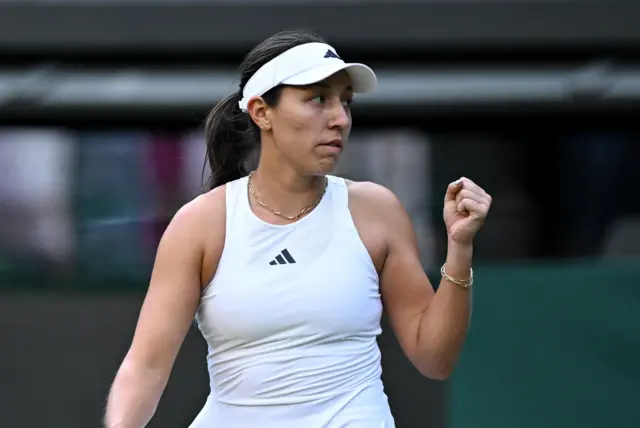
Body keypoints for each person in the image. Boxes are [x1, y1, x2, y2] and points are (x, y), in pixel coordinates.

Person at [104, 30, 492, 428]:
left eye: (345, 101)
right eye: (317, 99)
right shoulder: (201, 224)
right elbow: (146, 367)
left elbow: (435, 358)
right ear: (261, 112)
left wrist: (459, 250)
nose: (340, 118)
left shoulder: (377, 211)